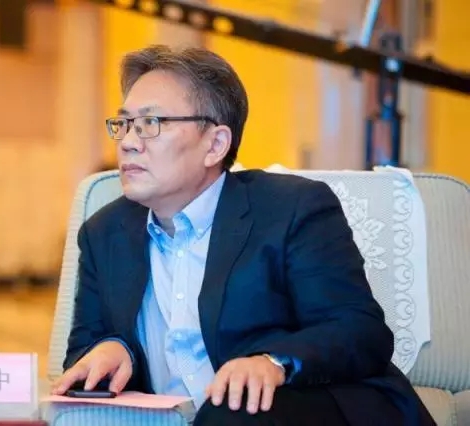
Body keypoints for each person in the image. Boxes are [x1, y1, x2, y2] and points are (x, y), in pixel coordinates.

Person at [52, 45, 435, 426]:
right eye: (124, 124)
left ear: (215, 144)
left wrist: (273, 363)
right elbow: (81, 353)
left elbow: (359, 331)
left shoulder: (291, 209)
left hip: (295, 413)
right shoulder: (104, 233)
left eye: (150, 123)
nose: (128, 142)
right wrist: (115, 348)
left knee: (234, 411)